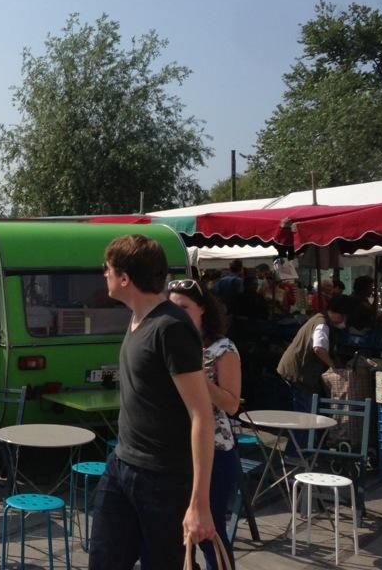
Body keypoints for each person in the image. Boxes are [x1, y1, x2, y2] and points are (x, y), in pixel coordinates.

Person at [88, 235, 215, 569]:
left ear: (125, 278)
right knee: (103, 561)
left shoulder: (170, 327)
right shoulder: (136, 319)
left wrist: (199, 504)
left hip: (163, 479)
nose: (104, 274)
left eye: (108, 269)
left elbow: (202, 414)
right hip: (122, 464)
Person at [168, 279, 241, 570]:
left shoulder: (223, 348)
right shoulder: (169, 341)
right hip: (175, 449)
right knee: (176, 530)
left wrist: (197, 375)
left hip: (216, 450)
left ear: (202, 310)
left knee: (209, 532)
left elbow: (232, 404)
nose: (178, 313)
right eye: (172, 307)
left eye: (184, 307)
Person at [277, 294, 350, 412]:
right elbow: (319, 348)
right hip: (298, 372)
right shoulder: (322, 324)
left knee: (305, 407)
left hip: (300, 372)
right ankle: (304, 430)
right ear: (338, 313)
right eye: (344, 317)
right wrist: (332, 366)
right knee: (305, 409)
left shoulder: (321, 319)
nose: (344, 321)